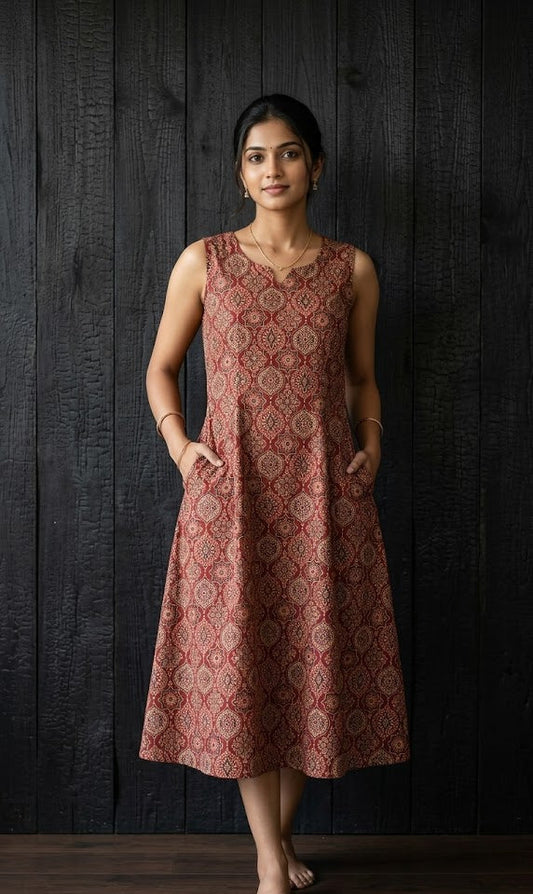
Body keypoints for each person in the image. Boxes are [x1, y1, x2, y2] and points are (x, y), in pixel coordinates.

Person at [139, 93, 410, 894]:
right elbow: (160, 368)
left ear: (315, 167)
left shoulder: (349, 268)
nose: (272, 169)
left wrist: (373, 442)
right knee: (244, 672)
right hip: (235, 498)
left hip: (325, 498)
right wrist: (182, 448)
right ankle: (267, 860)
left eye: (288, 153)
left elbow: (363, 379)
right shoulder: (204, 262)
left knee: (304, 673)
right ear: (239, 174)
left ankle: (280, 843)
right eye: (256, 157)